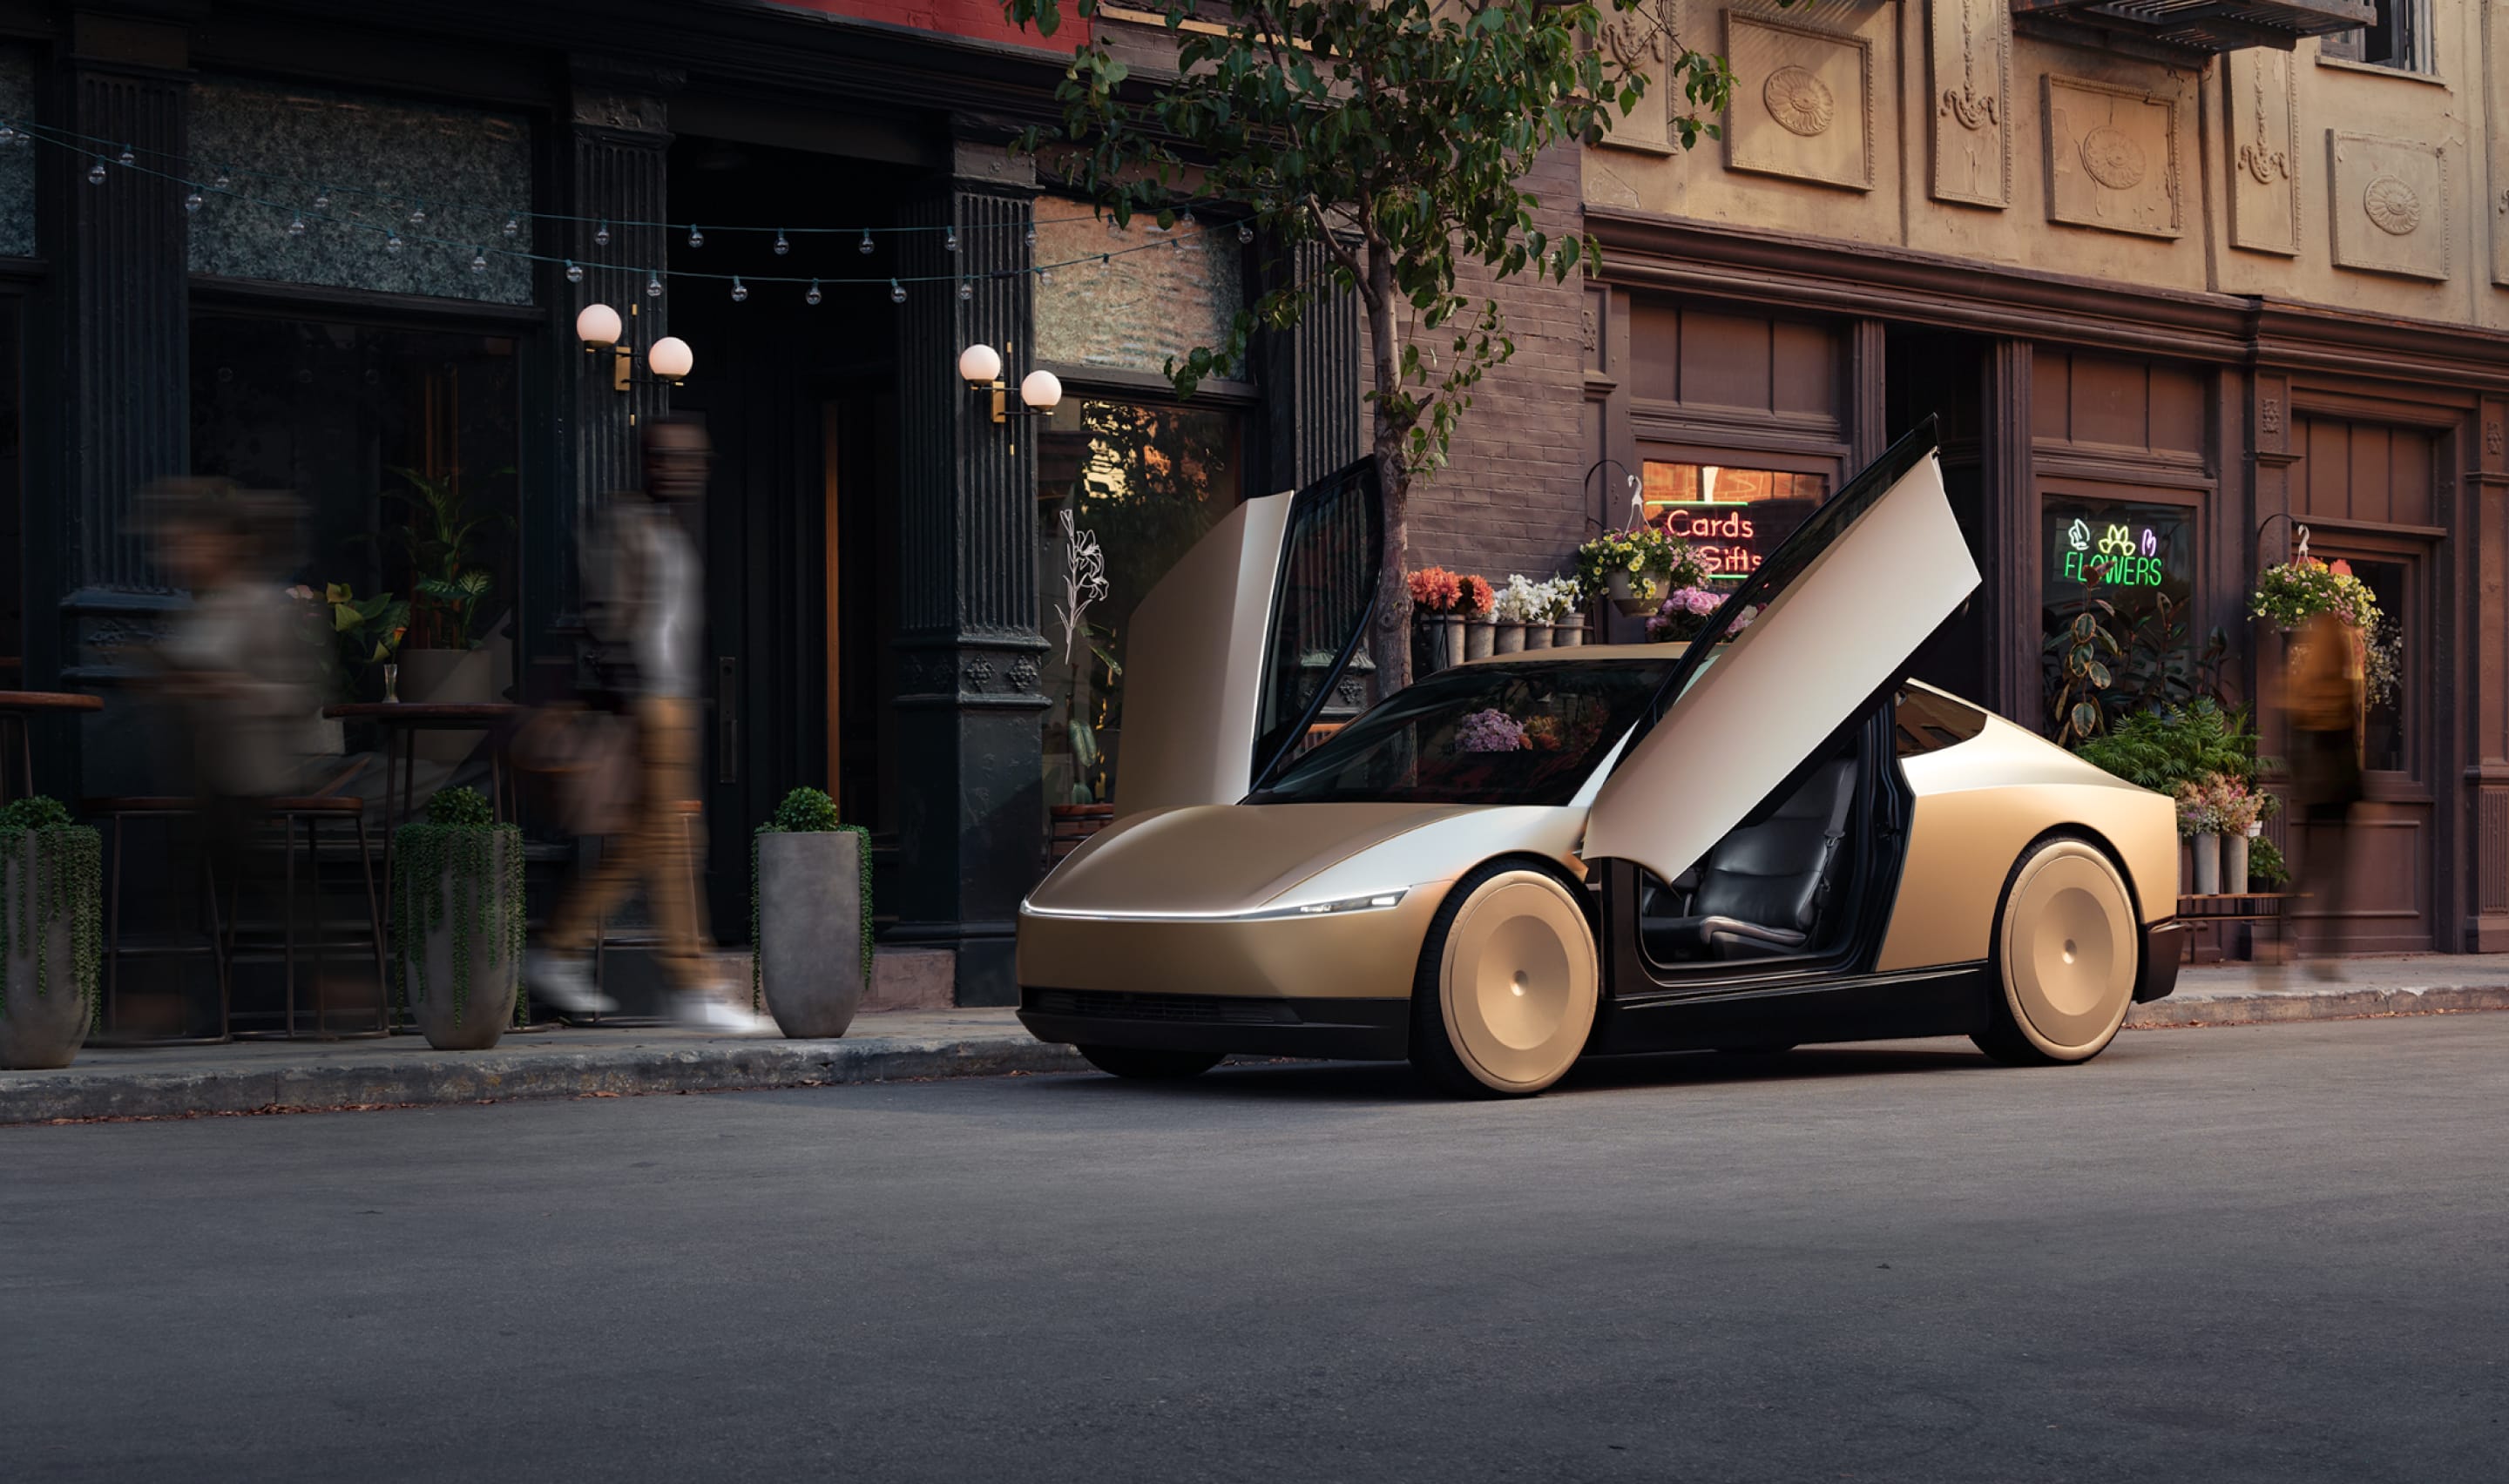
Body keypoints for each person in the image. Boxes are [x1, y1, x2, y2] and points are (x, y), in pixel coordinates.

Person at [527, 419, 766, 1031]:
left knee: (654, 844)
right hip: (646, 708)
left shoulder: (674, 532)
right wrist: (627, 713)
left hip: (674, 705)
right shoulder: (620, 523)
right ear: (645, 461)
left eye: (692, 459)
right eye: (667, 457)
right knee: (676, 845)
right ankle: (691, 980)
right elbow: (607, 621)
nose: (681, 469)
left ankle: (559, 950)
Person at [2284, 606, 2364, 980]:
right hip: (2340, 792)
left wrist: (2303, 786)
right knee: (2336, 876)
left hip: (2316, 792)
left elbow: (2297, 748)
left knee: (2308, 871)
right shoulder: (2341, 686)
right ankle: (2325, 957)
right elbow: (2348, 747)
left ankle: (2275, 942)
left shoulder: (2303, 691)